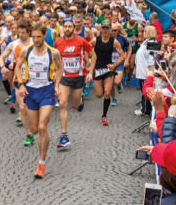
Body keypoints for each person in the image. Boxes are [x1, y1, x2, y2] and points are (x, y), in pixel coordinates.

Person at [15, 23, 62, 178]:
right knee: (34, 129)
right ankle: (39, 138)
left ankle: (41, 163)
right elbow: (17, 66)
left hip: (46, 91)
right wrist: (21, 84)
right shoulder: (25, 51)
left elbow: (59, 68)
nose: (35, 40)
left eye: (38, 37)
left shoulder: (53, 52)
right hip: (30, 91)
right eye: (33, 37)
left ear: (44, 36)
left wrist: (57, 84)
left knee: (42, 126)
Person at [54, 18, 95, 149]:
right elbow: (55, 59)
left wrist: (90, 72)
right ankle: (64, 135)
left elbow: (93, 55)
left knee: (76, 105)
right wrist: (55, 72)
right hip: (64, 77)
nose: (67, 29)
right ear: (62, 28)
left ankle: (80, 101)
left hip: (78, 77)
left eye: (70, 26)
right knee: (62, 104)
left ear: (73, 27)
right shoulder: (58, 43)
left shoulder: (81, 41)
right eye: (65, 26)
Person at [0, 20, 34, 144]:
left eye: (23, 33)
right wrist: (3, 66)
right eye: (19, 33)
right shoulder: (13, 44)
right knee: (23, 107)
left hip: (34, 80)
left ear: (29, 32)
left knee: (34, 108)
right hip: (19, 79)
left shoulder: (35, 43)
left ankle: (34, 125)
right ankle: (29, 134)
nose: (21, 35)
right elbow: (1, 57)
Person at [90, 20, 125, 126]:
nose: (105, 30)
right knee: (99, 94)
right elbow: (86, 50)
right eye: (103, 28)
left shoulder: (114, 42)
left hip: (109, 70)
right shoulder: (95, 40)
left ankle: (104, 115)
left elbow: (122, 56)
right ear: (101, 29)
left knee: (107, 93)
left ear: (110, 30)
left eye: (107, 28)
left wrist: (114, 65)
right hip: (98, 69)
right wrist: (89, 62)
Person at [134, 26, 158, 116]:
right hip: (142, 69)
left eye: (145, 31)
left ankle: (145, 110)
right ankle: (145, 108)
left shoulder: (152, 43)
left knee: (145, 91)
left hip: (146, 71)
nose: (143, 32)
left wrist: (150, 72)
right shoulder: (146, 42)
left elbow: (152, 59)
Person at [110, 23, 130, 105]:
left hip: (119, 62)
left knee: (117, 81)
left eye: (115, 30)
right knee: (110, 83)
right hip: (109, 63)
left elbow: (129, 49)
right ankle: (113, 98)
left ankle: (119, 85)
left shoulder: (123, 39)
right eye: (111, 30)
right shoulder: (106, 38)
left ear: (118, 31)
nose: (113, 32)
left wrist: (127, 60)